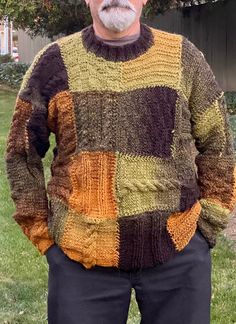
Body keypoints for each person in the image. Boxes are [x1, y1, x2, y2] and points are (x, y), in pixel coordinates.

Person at [4, 0, 236, 323]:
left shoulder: (184, 58)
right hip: (80, 262)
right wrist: (44, 236)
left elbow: (218, 144)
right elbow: (20, 152)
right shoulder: (54, 64)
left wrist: (207, 225)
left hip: (178, 254)